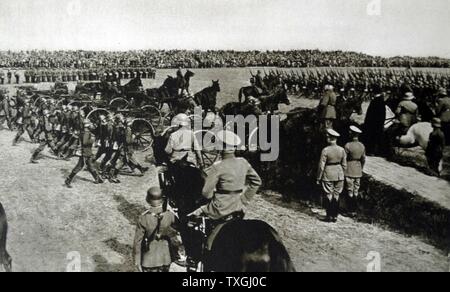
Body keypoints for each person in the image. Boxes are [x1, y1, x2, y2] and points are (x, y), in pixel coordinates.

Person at [188, 130, 262, 250]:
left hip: (220, 207)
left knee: (191, 220)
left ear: (221, 148)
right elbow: (257, 181)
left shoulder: (217, 166)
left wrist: (212, 196)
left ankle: (195, 257)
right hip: (238, 206)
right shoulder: (243, 162)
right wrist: (244, 199)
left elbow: (206, 194)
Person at [133, 187, 181, 272]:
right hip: (165, 257)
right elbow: (177, 229)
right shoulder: (170, 215)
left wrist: (137, 260)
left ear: (148, 199)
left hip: (148, 259)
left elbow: (138, 242)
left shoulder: (144, 217)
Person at [317, 129, 347, 223]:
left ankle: (329, 216)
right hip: (339, 173)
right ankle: (335, 216)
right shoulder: (342, 150)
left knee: (329, 194)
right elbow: (344, 164)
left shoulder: (326, 150)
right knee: (336, 195)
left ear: (330, 138)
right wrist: (343, 174)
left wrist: (318, 177)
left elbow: (321, 166)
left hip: (328, 173)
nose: (327, 139)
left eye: (328, 137)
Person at [65, 119, 103, 188]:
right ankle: (68, 179)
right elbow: (85, 142)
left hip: (86, 152)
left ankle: (97, 178)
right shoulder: (86, 133)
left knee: (90, 165)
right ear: (87, 125)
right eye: (89, 124)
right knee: (79, 166)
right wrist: (92, 141)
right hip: (85, 152)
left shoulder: (85, 132)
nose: (91, 125)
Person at [344, 126, 366, 217]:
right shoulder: (362, 145)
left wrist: (343, 169)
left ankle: (349, 210)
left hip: (349, 169)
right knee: (356, 190)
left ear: (352, 134)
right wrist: (361, 168)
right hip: (358, 170)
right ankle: (354, 211)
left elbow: (344, 159)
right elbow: (363, 159)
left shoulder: (348, 145)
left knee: (350, 190)